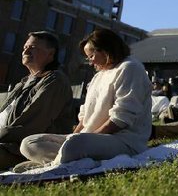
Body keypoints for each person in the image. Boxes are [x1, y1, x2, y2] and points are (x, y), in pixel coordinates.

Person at [18, 28, 152, 167]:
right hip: (88, 138)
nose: (90, 62)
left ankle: (55, 166)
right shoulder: (98, 76)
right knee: (28, 144)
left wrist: (84, 138)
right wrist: (72, 136)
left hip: (123, 140)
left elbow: (121, 118)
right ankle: (71, 160)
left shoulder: (130, 68)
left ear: (106, 51)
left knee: (75, 145)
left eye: (91, 56)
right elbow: (84, 118)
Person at [0, 32, 72, 170]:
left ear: (50, 55)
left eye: (33, 47)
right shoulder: (24, 82)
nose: (26, 50)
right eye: (25, 47)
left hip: (20, 149)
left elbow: (31, 126)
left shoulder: (55, 80)